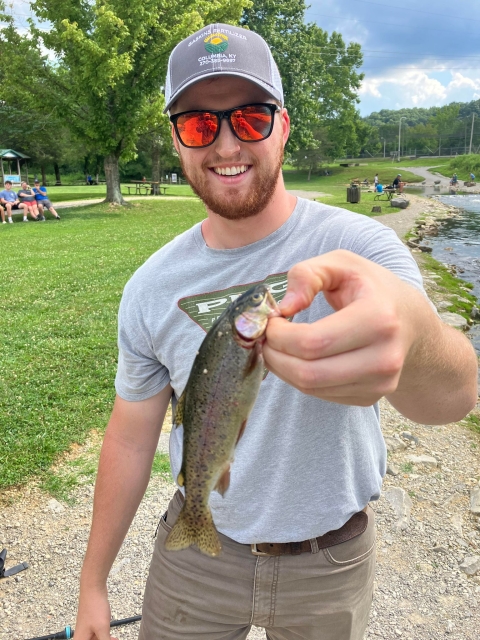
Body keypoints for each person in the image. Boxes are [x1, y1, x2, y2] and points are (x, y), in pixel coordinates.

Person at [75, 23, 478, 640]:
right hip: (195, 558)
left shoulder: (361, 247)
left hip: (332, 562)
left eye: (252, 118)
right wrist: (93, 584)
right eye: (199, 125)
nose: (227, 143)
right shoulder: (149, 288)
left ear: (283, 127)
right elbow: (130, 441)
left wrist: (416, 334)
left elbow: (452, 400)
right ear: (178, 143)